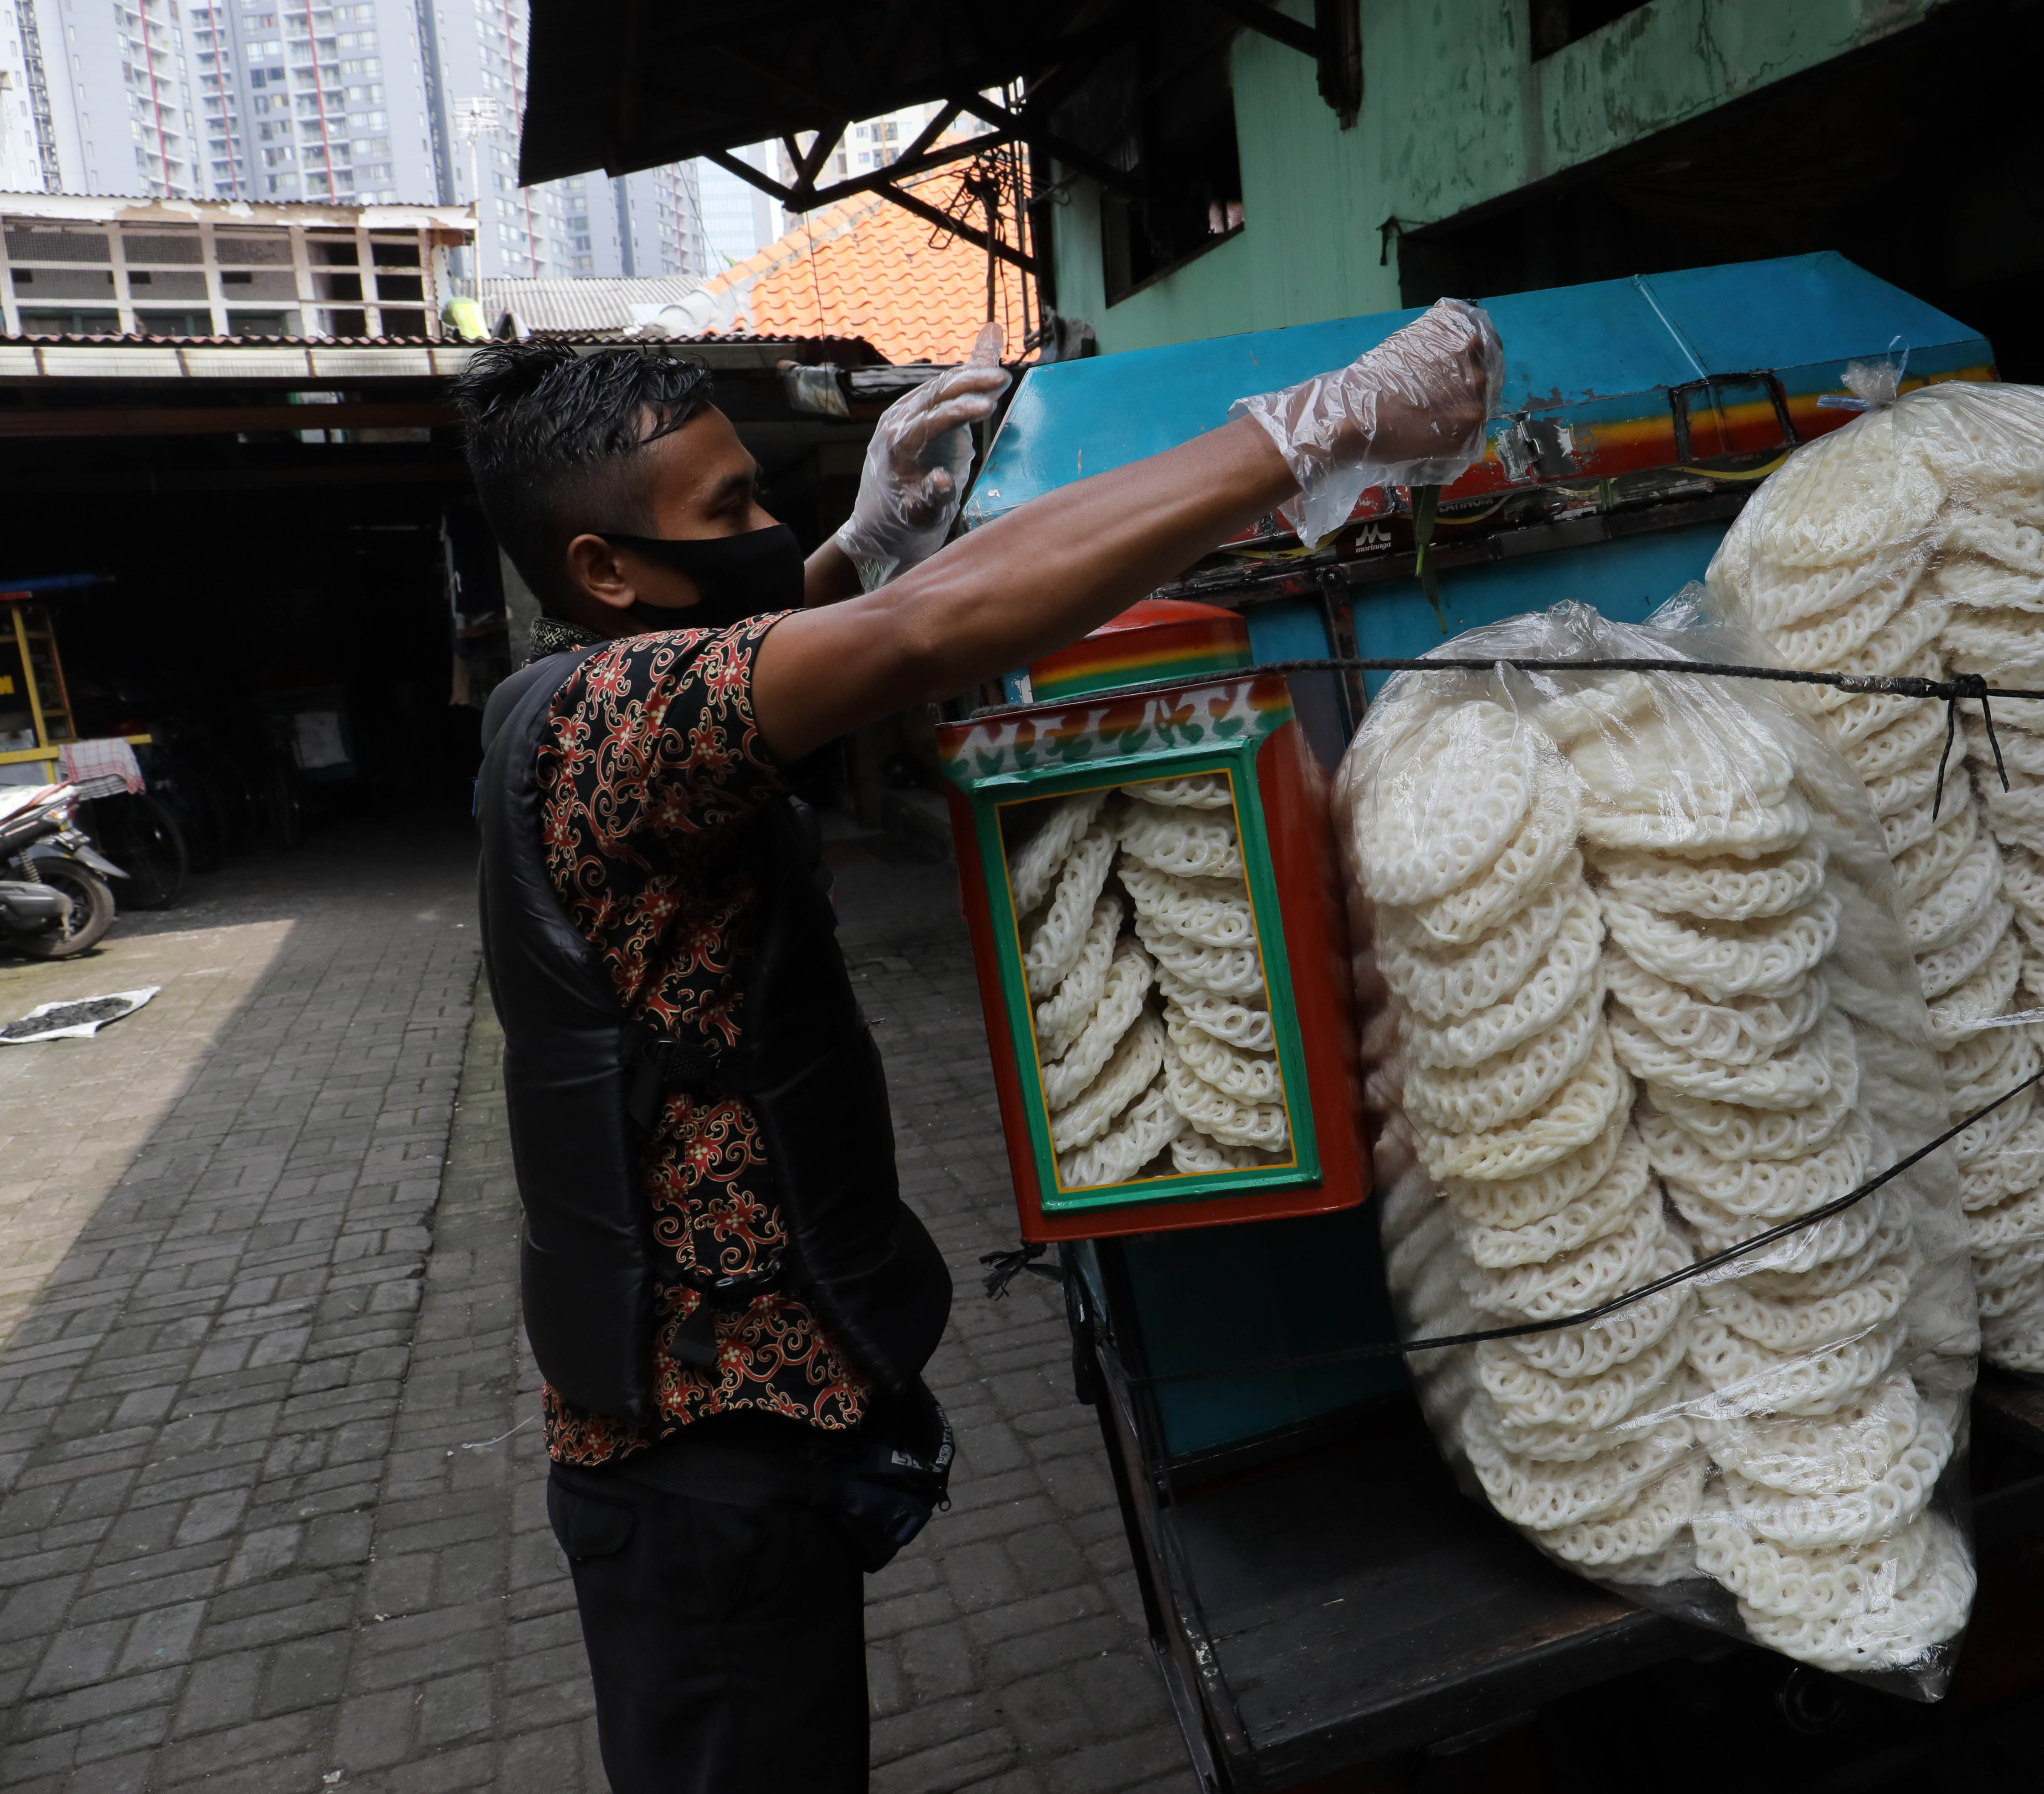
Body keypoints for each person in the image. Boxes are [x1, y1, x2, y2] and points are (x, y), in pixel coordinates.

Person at [457, 306, 1500, 1794]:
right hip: (698, 1466)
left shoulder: (606, 700)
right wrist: (1308, 429)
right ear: (604, 572)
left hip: (753, 1435)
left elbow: (795, 641)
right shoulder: (607, 729)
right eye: (732, 513)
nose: (767, 536)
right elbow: (925, 634)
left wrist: (858, 547)